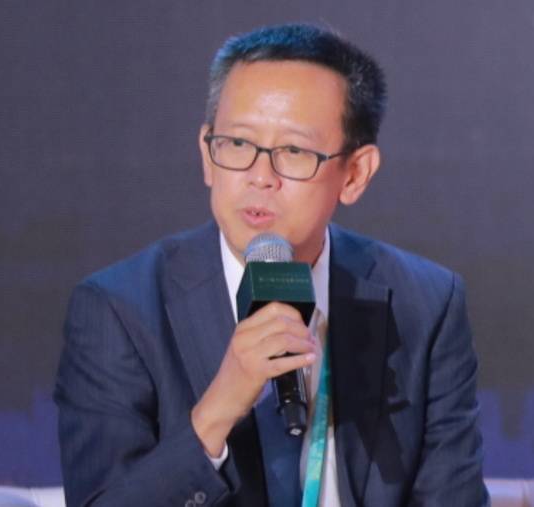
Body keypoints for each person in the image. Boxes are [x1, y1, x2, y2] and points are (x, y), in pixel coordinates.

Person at [54, 23, 487, 507]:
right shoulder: (119, 310)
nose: (260, 177)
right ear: (207, 155)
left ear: (355, 174)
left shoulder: (425, 304)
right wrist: (217, 412)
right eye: (238, 145)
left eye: (294, 151)